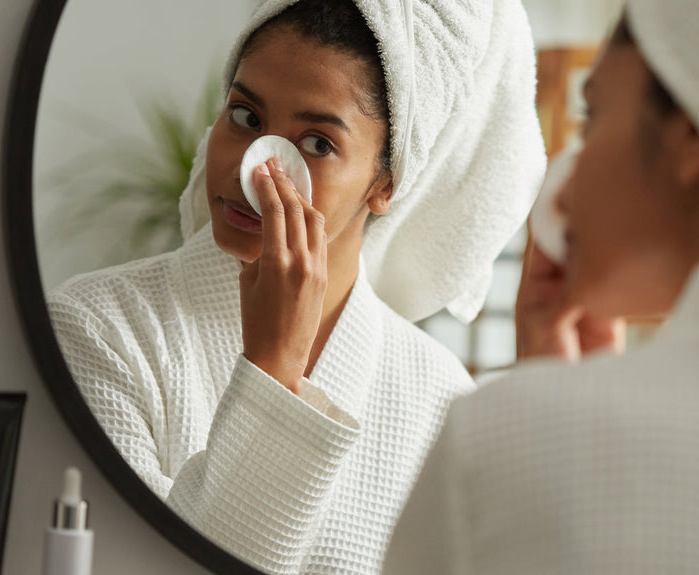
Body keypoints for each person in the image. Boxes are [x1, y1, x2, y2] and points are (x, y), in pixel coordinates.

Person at [47, 1, 545, 573]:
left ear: (385, 182)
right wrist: (273, 368)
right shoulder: (97, 329)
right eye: (244, 117)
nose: (255, 171)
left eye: (316, 145)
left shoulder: (441, 401)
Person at [385, 1, 699, 573]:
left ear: (687, 141)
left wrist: (544, 421)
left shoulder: (497, 441)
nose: (563, 172)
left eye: (592, 113)